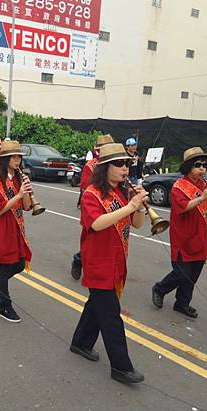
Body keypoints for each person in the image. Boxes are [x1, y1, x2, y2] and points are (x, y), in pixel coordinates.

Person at [70, 143, 147, 384]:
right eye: (120, 164)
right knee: (112, 315)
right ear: (105, 168)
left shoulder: (121, 192)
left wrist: (140, 206)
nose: (125, 168)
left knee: (97, 305)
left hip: (116, 260)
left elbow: (137, 224)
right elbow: (97, 223)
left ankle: (80, 343)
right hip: (98, 261)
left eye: (127, 164)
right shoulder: (92, 193)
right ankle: (121, 367)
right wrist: (129, 207)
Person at [151, 147, 207, 319]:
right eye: (198, 165)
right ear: (188, 166)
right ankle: (160, 288)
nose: (202, 169)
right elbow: (183, 207)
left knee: (193, 275)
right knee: (182, 273)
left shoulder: (204, 184)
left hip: (200, 236)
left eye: (205, 165)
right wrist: (202, 197)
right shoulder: (179, 187)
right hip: (184, 237)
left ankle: (182, 303)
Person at [0, 140, 33, 323]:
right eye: (14, 157)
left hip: (17, 227)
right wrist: (19, 195)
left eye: (19, 157)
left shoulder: (19, 178)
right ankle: (4, 306)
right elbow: (0, 209)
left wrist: (27, 192)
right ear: (5, 159)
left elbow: (27, 206)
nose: (18, 160)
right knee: (6, 267)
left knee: (20, 264)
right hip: (2, 229)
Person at [71, 134, 114, 280]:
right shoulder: (91, 166)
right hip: (94, 207)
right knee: (91, 240)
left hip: (110, 208)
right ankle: (79, 260)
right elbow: (85, 187)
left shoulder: (115, 166)